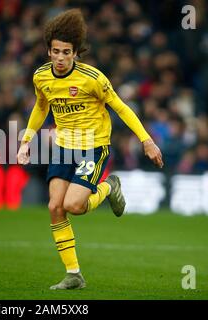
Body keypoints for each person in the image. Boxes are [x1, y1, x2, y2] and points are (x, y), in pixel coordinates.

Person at [17, 9, 163, 290]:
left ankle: (109, 187)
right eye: (55, 51)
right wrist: (26, 141)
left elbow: (120, 106)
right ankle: (74, 274)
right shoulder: (41, 77)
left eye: (66, 52)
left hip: (93, 147)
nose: (60, 57)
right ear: (49, 51)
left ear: (75, 53)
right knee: (54, 207)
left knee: (74, 205)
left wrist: (146, 140)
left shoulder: (92, 78)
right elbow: (41, 106)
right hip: (63, 147)